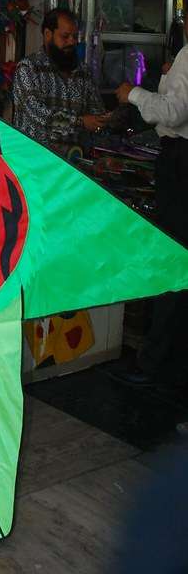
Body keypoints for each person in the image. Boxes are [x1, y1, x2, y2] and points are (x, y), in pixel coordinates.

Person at [112, 26, 188, 390]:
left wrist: (134, 94)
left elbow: (173, 113)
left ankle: (155, 363)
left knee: (174, 259)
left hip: (182, 165)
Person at [12, 7, 108, 147]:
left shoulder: (82, 71)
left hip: (73, 160)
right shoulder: (28, 68)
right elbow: (38, 114)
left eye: (75, 37)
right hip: (34, 159)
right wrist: (81, 122)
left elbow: (95, 109)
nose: (72, 42)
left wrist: (104, 120)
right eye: (65, 36)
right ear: (48, 34)